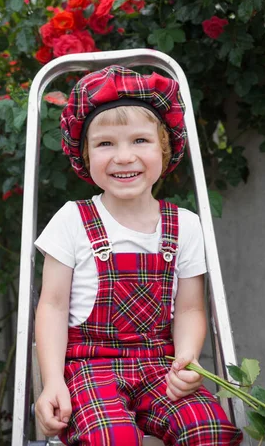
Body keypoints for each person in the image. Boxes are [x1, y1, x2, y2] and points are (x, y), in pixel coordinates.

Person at [34, 65, 243, 445]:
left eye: (140, 140)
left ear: (164, 148)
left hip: (160, 365)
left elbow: (192, 309)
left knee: (210, 430)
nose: (124, 156)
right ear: (84, 155)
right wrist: (51, 382)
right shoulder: (72, 220)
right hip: (89, 368)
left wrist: (188, 361)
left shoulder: (185, 226)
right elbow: (51, 306)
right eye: (105, 144)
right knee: (112, 437)